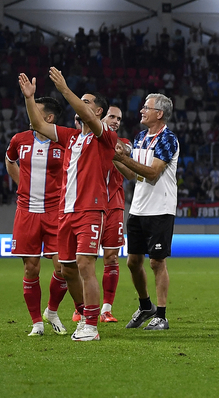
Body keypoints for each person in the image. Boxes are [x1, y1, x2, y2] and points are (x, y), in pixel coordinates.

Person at [19, 69, 118, 342]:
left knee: (86, 265)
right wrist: (29, 98)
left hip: (90, 209)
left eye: (87, 102)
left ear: (98, 112)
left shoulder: (104, 134)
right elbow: (38, 125)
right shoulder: (72, 137)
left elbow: (86, 117)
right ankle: (84, 314)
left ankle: (92, 326)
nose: (82, 106)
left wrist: (64, 89)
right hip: (65, 212)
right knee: (68, 268)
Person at [112, 93, 180, 331]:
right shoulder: (141, 137)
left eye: (146, 107)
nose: (141, 110)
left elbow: (152, 173)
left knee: (156, 262)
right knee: (133, 262)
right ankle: (145, 306)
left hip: (160, 209)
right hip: (138, 208)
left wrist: (122, 157)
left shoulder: (168, 139)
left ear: (159, 114)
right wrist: (113, 157)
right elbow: (132, 174)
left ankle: (161, 315)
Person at [5, 96, 70, 336]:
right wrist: (22, 184)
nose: (29, 112)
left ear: (49, 118)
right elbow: (10, 160)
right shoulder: (19, 140)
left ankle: (51, 311)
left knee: (62, 268)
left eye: (35, 109)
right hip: (26, 212)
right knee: (31, 268)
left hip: (55, 213)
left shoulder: (63, 142)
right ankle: (37, 323)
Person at [99, 106, 130, 323]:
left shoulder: (124, 143)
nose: (116, 121)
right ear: (101, 117)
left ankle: (106, 309)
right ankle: (79, 308)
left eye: (119, 118)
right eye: (112, 117)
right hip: (89, 207)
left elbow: (129, 170)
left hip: (115, 206)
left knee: (111, 258)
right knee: (85, 260)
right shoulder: (89, 140)